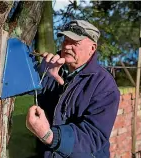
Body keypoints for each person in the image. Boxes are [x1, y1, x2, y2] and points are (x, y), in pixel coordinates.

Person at [26, 20, 120, 158]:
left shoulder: (105, 86)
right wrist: (41, 75)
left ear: (92, 48)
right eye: (65, 40)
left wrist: (49, 135)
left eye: (75, 43)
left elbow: (94, 135)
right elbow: (27, 91)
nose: (67, 46)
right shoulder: (53, 68)